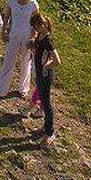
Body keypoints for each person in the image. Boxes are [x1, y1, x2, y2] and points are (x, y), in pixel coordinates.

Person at [0, 0, 39, 106]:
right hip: (14, 35)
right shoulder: (12, 0)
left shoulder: (33, 4)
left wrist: (33, 37)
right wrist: (3, 31)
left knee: (25, 63)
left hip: (26, 37)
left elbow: (36, 23)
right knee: (8, 62)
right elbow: (6, 17)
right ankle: (0, 91)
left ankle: (23, 90)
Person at [30, 11, 60, 144]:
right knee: (42, 100)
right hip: (40, 74)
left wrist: (47, 66)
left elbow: (57, 61)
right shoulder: (40, 37)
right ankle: (45, 126)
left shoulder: (48, 40)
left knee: (46, 104)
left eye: (36, 26)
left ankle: (50, 132)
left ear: (43, 25)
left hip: (46, 76)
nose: (34, 29)